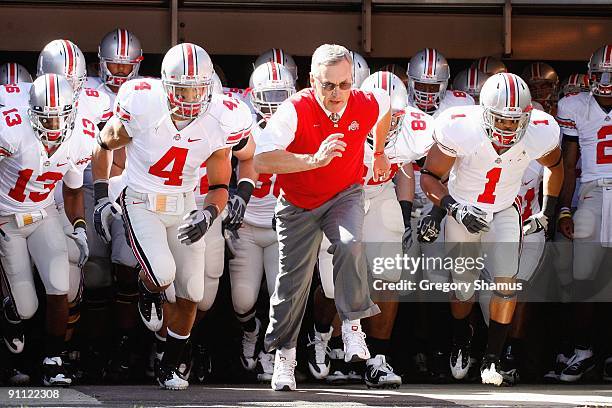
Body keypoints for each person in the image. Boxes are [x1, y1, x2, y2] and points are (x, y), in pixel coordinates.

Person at [92, 42, 253, 390]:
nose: (192, 97)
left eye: (198, 87)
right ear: (165, 85)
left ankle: (171, 362)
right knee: (162, 272)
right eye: (183, 88)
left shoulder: (222, 119)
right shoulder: (142, 103)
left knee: (192, 292)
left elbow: (220, 184)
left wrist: (209, 215)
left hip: (184, 203)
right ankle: (147, 287)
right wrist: (102, 197)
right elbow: (103, 145)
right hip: (140, 199)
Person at [254, 43, 391, 391]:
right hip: (298, 203)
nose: (336, 93)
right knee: (291, 284)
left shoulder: (364, 101)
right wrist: (312, 160)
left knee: (350, 244)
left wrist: (379, 153)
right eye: (328, 85)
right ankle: (285, 358)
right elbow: (262, 160)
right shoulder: (294, 110)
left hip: (344, 194)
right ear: (312, 80)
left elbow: (386, 107)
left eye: (344, 85)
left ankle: (353, 327)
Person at [418, 72, 563, 386]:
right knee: (463, 289)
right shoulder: (459, 127)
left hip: (504, 211)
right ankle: (461, 339)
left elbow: (555, 166)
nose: (508, 128)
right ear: (483, 112)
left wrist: (547, 211)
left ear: (527, 116)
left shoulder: (540, 130)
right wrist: (452, 209)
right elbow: (429, 177)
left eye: (514, 120)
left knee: (505, 283)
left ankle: (492, 359)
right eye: (501, 119)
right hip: (463, 209)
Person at [0, 74, 95, 386]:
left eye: (60, 117)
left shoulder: (81, 136)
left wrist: (79, 227)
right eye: (46, 118)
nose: (54, 126)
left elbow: (72, 191)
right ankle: (11, 316)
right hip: (6, 218)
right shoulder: (10, 129)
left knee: (60, 287)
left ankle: (53, 360)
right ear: (31, 112)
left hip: (43, 214)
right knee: (26, 307)